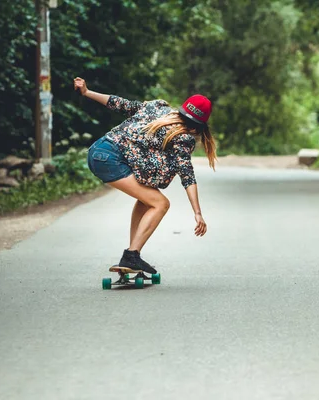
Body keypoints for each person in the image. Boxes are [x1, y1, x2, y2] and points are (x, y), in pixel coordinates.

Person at [73, 77, 216, 275]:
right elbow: (187, 175)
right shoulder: (183, 137)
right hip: (110, 159)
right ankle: (131, 255)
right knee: (160, 204)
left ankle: (133, 255)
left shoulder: (158, 107)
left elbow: (121, 104)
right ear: (197, 127)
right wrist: (198, 213)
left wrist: (88, 92)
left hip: (98, 150)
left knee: (147, 198)